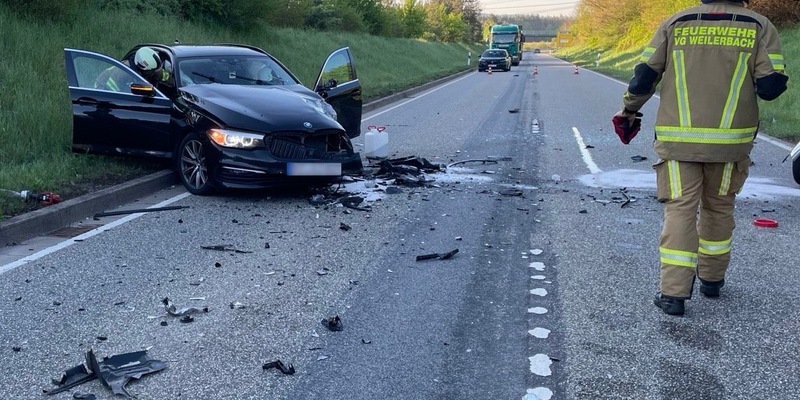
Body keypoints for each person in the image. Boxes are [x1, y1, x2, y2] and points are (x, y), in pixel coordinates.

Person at [615, 0, 788, 316]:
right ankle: (711, 279)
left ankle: (673, 294)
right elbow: (770, 87)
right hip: (730, 144)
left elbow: (644, 77)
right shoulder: (759, 26)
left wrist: (629, 109)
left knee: (680, 209)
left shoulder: (676, 23)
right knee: (719, 207)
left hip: (678, 142)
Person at [94, 47, 172, 93]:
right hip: (102, 87)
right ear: (142, 68)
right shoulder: (123, 72)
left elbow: (161, 74)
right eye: (152, 71)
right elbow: (110, 91)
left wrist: (171, 79)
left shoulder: (151, 68)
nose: (155, 72)